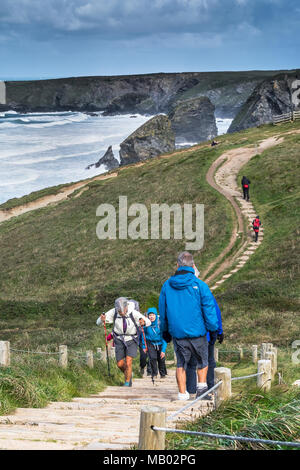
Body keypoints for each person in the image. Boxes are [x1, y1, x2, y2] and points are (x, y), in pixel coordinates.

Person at [159, 251, 218, 401]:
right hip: (198, 331)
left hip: (178, 333)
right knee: (202, 361)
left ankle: (182, 394)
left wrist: (164, 331)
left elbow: (163, 310)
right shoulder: (200, 285)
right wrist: (213, 328)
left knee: (181, 363)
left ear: (177, 265)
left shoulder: (167, 285)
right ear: (193, 265)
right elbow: (208, 308)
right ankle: (202, 389)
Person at [96, 297, 151, 386]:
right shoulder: (113, 311)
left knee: (129, 361)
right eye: (119, 312)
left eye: (122, 311)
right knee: (119, 364)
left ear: (126, 307)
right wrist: (102, 319)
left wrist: (143, 322)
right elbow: (98, 322)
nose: (121, 313)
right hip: (119, 339)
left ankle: (127, 383)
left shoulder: (133, 312)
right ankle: (129, 373)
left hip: (132, 339)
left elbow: (148, 322)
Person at [186, 296, 224, 397]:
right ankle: (210, 389)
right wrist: (219, 331)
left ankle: (191, 391)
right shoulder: (207, 295)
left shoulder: (185, 296)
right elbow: (216, 314)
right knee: (208, 361)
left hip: (189, 335)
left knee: (191, 363)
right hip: (206, 335)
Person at [141, 307, 168, 379]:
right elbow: (143, 336)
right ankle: (154, 374)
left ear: (156, 315)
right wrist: (144, 346)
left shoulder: (160, 323)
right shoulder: (146, 324)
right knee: (152, 358)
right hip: (150, 343)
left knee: (161, 358)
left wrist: (163, 350)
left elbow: (165, 337)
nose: (151, 316)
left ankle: (162, 374)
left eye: (153, 315)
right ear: (148, 316)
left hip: (160, 343)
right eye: (150, 315)